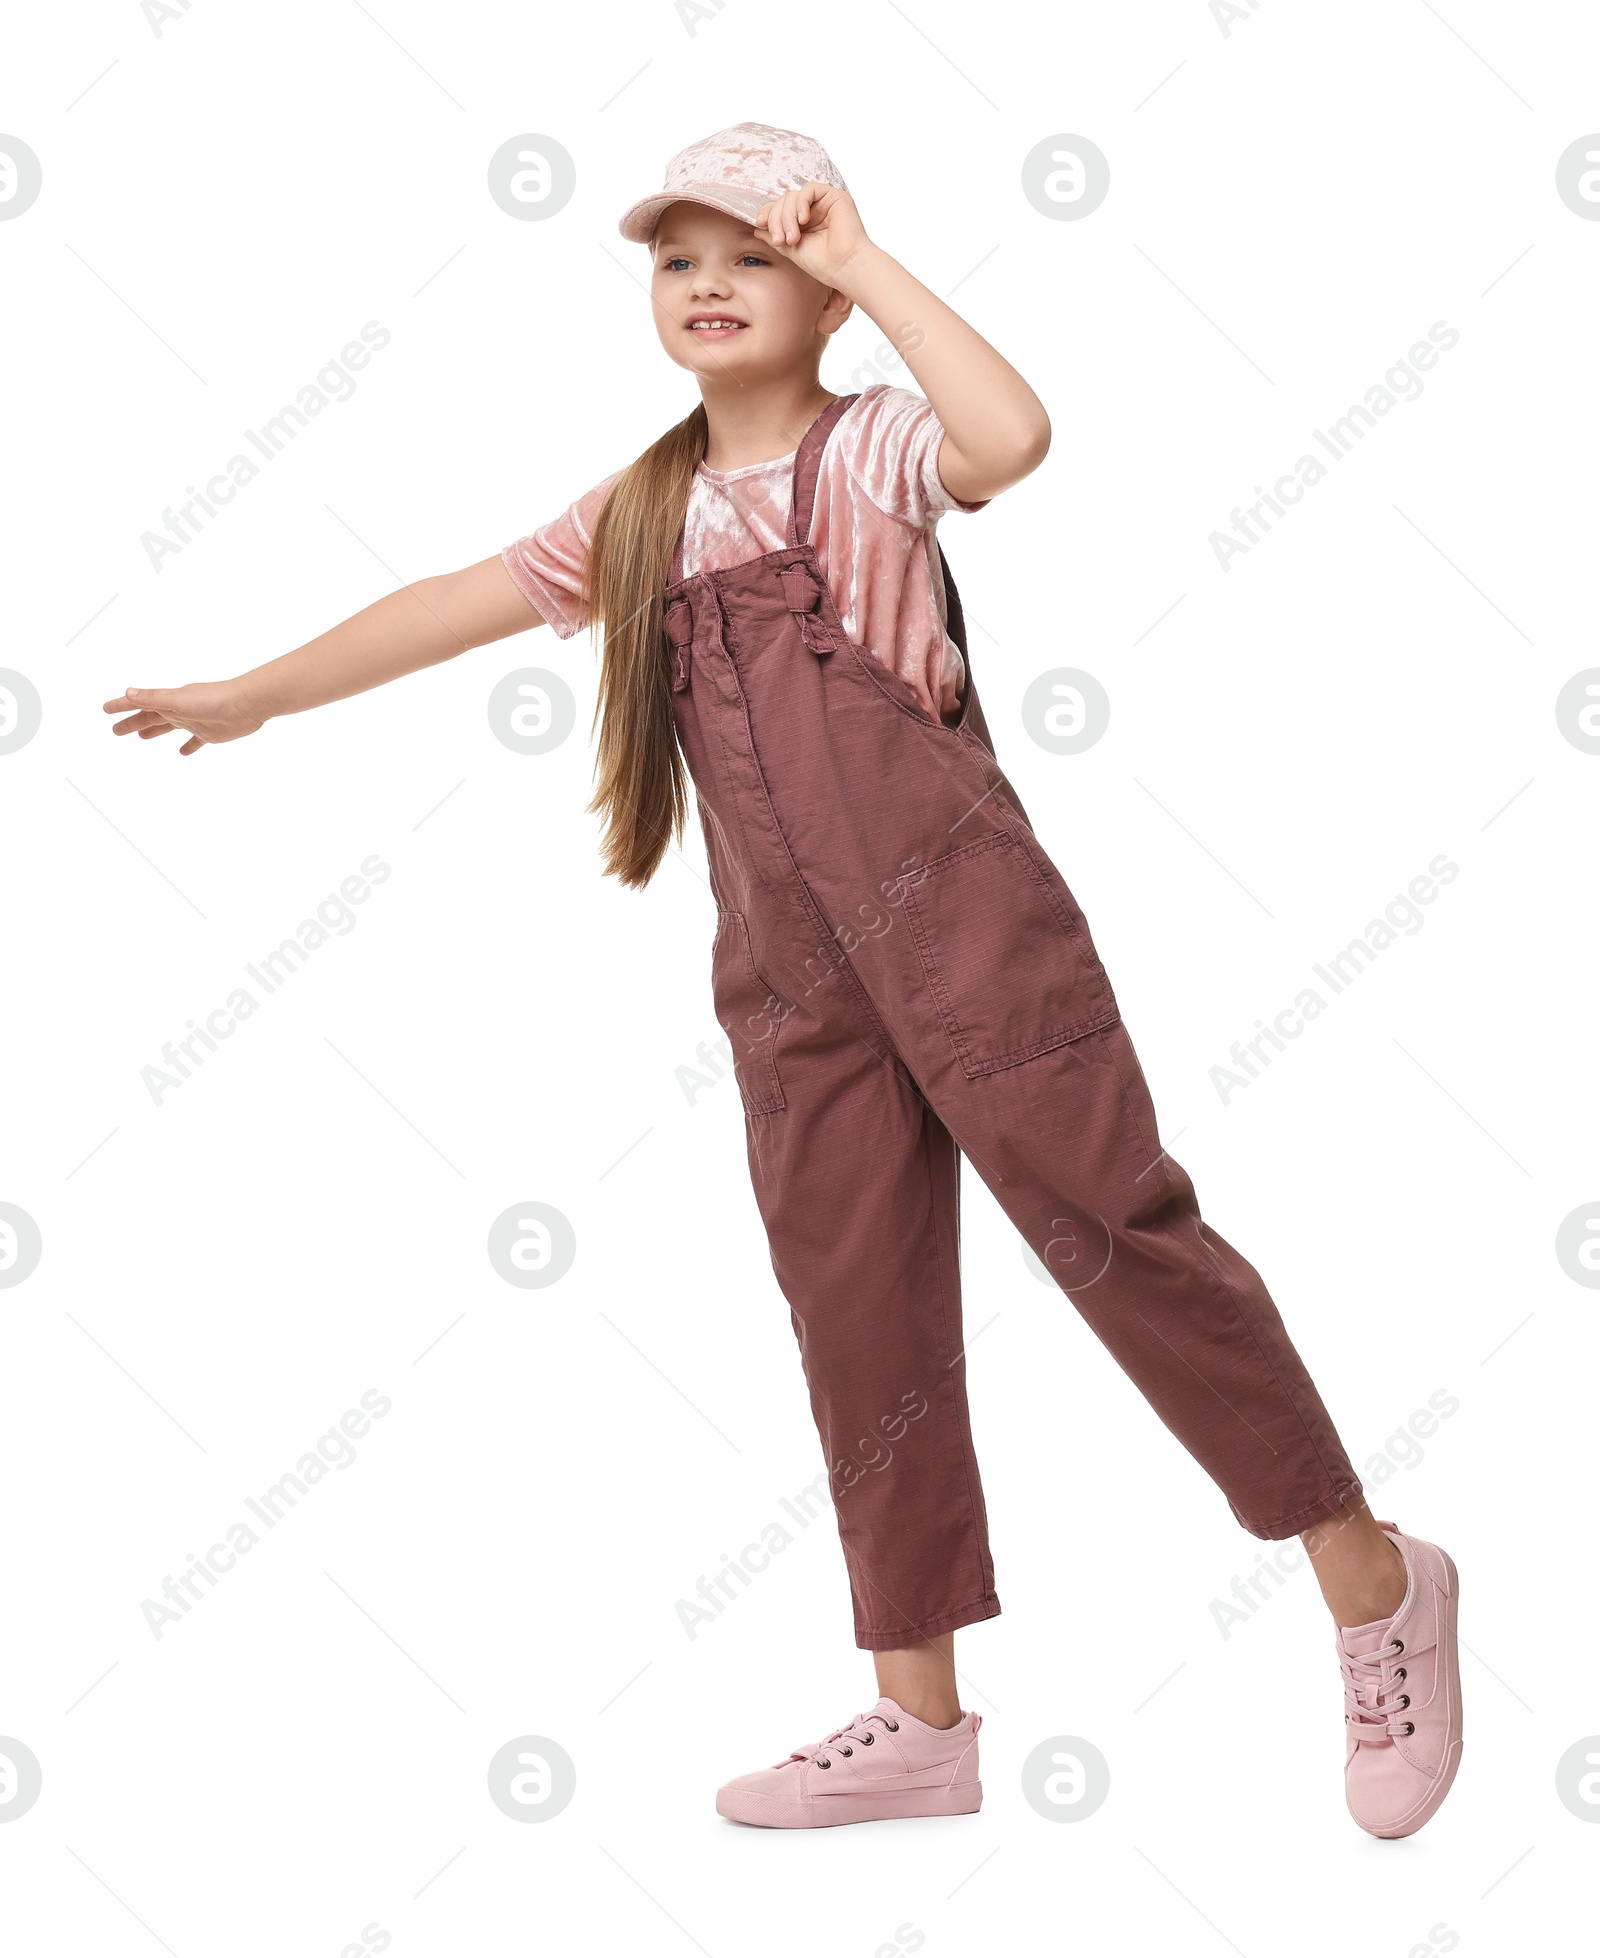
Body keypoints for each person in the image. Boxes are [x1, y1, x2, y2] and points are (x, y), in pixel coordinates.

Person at [103, 121, 1462, 1838]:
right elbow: (449, 599)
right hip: (791, 984)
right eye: (678, 261)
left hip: (972, 939)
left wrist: (871, 260)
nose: (709, 284)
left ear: (818, 290)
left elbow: (1015, 437)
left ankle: (1373, 1578)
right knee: (856, 1302)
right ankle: (922, 1717)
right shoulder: (647, 509)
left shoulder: (878, 452)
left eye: (751, 252)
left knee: (1118, 1233)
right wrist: (256, 693)